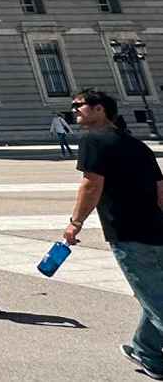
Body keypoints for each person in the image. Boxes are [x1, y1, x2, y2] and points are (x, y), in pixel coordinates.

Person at [62, 88, 163, 377]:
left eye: (79, 105)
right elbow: (160, 190)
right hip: (156, 229)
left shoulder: (93, 141)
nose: (74, 110)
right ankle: (147, 351)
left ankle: (149, 354)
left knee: (156, 299)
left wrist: (75, 222)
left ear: (99, 109)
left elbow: (91, 185)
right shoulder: (138, 146)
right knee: (153, 293)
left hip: (127, 231)